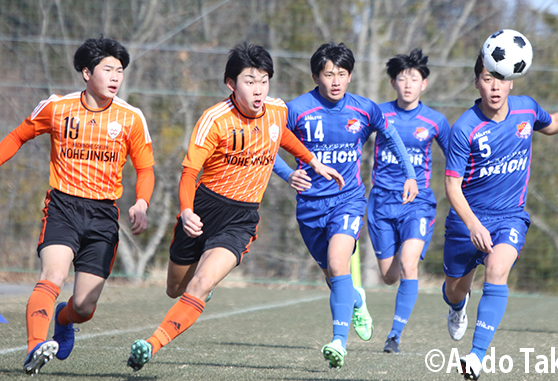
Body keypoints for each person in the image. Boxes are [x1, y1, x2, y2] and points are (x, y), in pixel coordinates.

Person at [126, 43, 344, 372]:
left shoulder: (276, 111)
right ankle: (195, 292)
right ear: (231, 84)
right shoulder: (214, 120)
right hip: (203, 209)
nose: (259, 90)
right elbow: (189, 172)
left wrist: (313, 161)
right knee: (175, 288)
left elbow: (281, 135)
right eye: (250, 81)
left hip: (241, 219)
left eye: (264, 81)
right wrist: (186, 211)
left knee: (201, 284)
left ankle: (150, 344)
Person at [442, 50, 558, 380]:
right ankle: (458, 306)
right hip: (467, 220)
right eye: (487, 79)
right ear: (477, 83)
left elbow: (555, 123)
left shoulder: (526, 109)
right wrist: (472, 224)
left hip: (509, 217)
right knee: (454, 290)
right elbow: (452, 187)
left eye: (501, 79)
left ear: (511, 82)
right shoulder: (465, 128)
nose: (495, 87)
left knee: (498, 270)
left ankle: (476, 356)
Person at [0, 37, 155, 375]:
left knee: (84, 305)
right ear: (86, 72)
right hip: (63, 207)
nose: (116, 77)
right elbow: (16, 137)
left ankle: (63, 318)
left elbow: (145, 168)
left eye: (120, 71)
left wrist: (141, 202)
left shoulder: (131, 118)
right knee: (52, 276)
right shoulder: (57, 108)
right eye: (108, 70)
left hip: (102, 215)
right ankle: (35, 349)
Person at [272, 42, 419, 369]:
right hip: (310, 207)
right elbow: (266, 142)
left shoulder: (364, 108)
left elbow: (392, 137)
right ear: (315, 76)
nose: (335, 81)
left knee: (339, 263)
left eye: (341, 73)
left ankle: (338, 342)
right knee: (333, 277)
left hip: (348, 201)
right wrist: (287, 174)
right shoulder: (296, 109)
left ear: (350, 76)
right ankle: (356, 299)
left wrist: (410, 175)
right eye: (328, 74)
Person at [366, 49, 449, 354]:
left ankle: (395, 335)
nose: (408, 84)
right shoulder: (378, 114)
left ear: (424, 84)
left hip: (418, 203)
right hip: (381, 204)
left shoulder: (435, 120)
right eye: (402, 78)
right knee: (389, 277)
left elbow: (456, 157)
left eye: (414, 78)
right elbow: (353, 140)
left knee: (408, 262)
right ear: (393, 83)